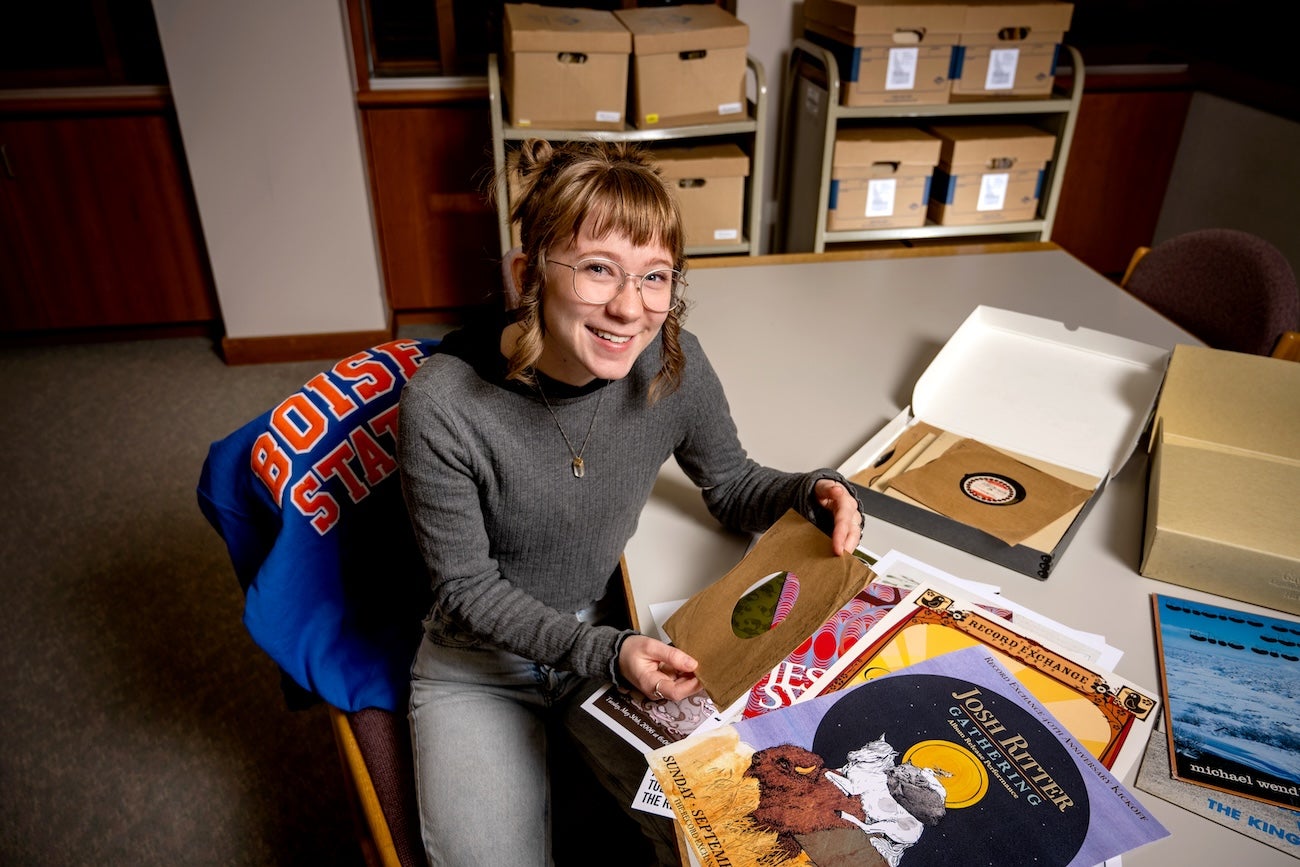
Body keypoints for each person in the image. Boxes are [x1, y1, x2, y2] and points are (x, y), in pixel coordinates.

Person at [396, 137, 864, 866]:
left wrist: (811, 490)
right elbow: (464, 588)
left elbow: (732, 485)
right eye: (596, 269)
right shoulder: (444, 403)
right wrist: (603, 652)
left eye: (655, 277)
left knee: (725, 838)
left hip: (604, 631)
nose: (629, 307)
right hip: (481, 661)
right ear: (528, 272)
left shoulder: (671, 360)